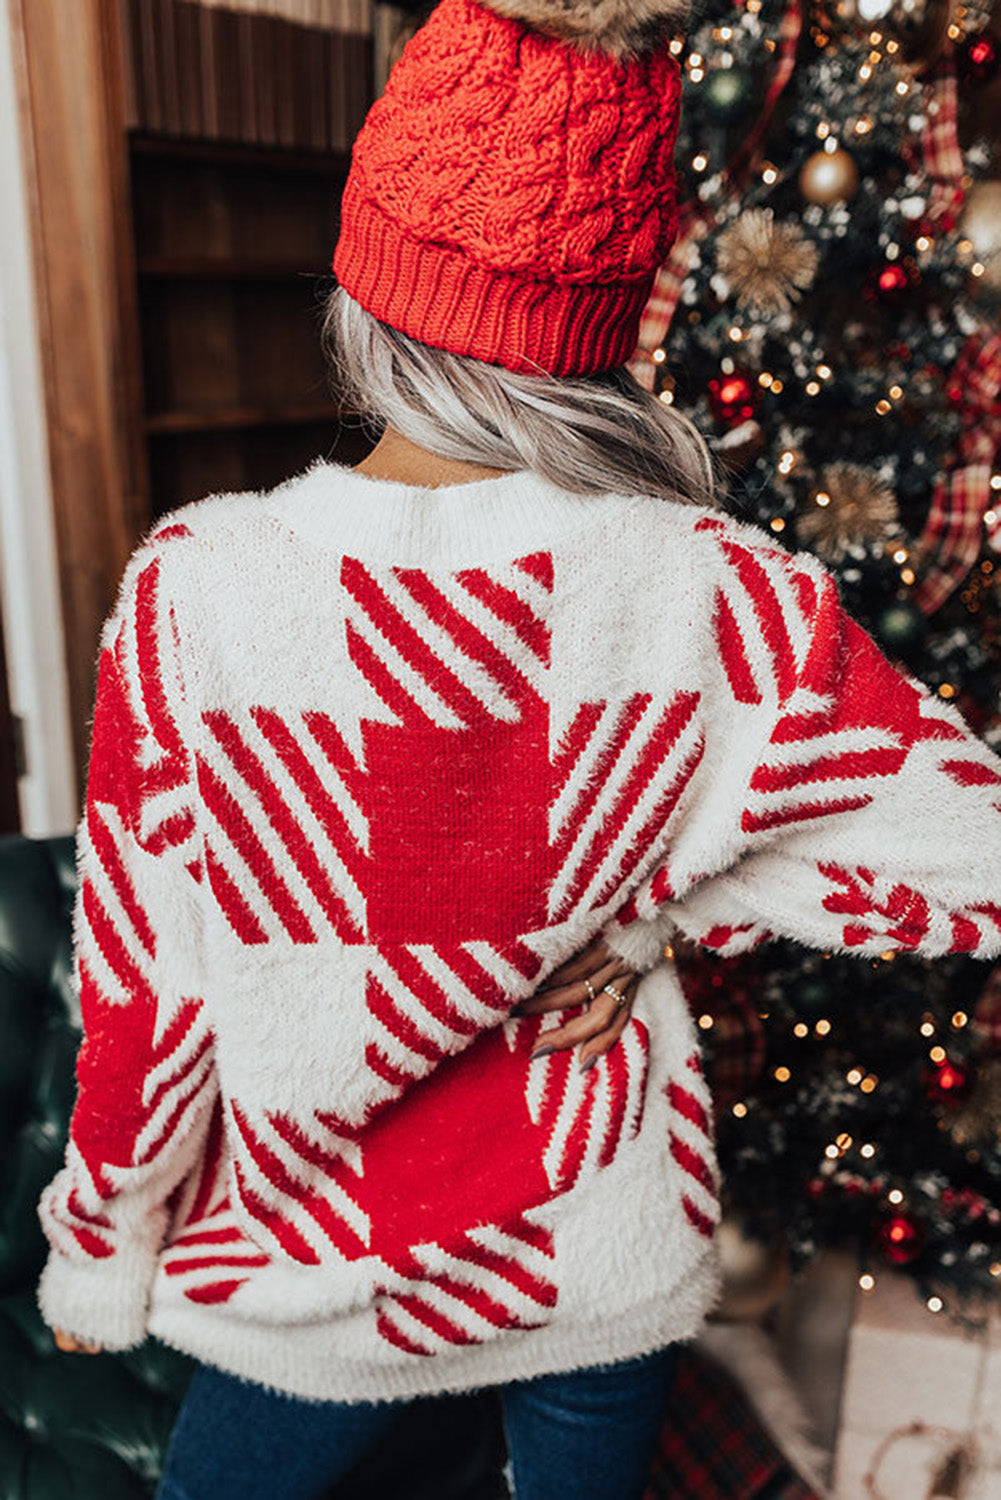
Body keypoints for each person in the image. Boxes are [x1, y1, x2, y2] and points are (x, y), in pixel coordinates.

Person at [33, 0, 1001, 1496]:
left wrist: (103, 1250)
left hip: (319, 1284)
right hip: (591, 1263)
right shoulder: (710, 591)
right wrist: (657, 911)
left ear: (367, 289)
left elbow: (147, 996)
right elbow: (971, 848)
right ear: (590, 336)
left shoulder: (199, 587)